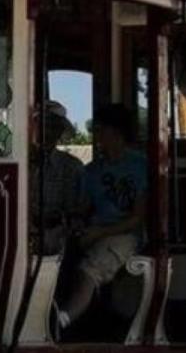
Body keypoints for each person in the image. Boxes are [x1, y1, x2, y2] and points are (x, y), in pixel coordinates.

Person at [55, 102, 147, 335]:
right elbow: (84, 208)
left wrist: (99, 233)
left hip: (126, 235)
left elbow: (137, 218)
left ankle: (62, 320)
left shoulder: (140, 166)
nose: (96, 136)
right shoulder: (92, 170)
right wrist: (77, 227)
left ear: (115, 133)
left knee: (89, 269)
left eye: (99, 130)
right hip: (96, 231)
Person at [28, 100, 84, 255]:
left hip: (55, 235)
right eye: (41, 124)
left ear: (60, 131)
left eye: (52, 126)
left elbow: (74, 211)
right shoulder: (21, 164)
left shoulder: (72, 167)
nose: (45, 131)